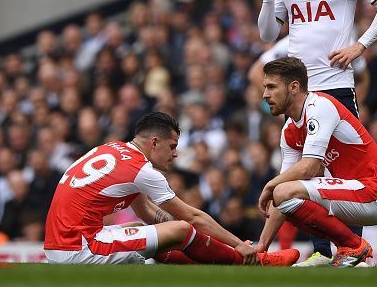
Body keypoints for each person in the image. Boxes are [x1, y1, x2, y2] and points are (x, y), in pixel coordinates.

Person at [257, 0, 377, 266]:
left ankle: (353, 251)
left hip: (335, 87)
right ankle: (322, 253)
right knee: (308, 173)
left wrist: (360, 46)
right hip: (298, 93)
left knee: (344, 172)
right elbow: (266, 34)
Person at [43, 111, 299, 266]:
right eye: (172, 146)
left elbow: (145, 211)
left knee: (165, 231)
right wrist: (239, 244)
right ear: (154, 142)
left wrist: (174, 233)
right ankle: (252, 261)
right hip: (80, 249)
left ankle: (216, 261)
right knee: (181, 228)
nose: (176, 154)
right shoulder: (141, 169)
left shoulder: (111, 149)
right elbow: (193, 217)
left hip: (60, 245)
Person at [255, 57, 377, 267]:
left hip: (375, 192)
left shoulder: (320, 106)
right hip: (350, 195)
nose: (265, 94)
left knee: (282, 191)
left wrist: (270, 185)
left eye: (271, 87)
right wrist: (261, 248)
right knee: (283, 195)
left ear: (294, 87)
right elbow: (281, 194)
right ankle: (349, 254)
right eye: (265, 87)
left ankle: (353, 246)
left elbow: (309, 167)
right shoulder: (289, 131)